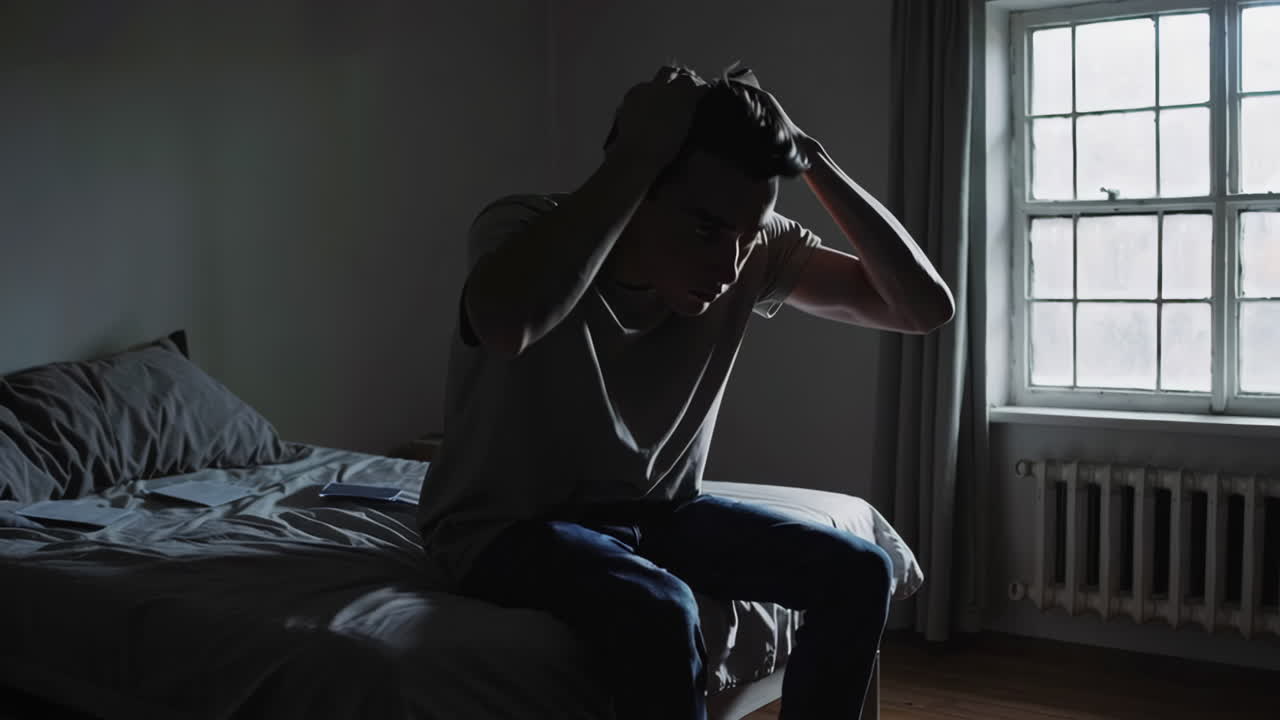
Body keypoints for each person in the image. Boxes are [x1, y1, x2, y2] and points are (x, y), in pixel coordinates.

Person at [417, 63, 955, 720]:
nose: (729, 266)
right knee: (660, 605)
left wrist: (811, 157)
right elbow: (508, 324)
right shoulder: (525, 229)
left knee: (860, 572)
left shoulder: (752, 248)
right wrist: (637, 152)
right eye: (704, 229)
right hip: (506, 530)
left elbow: (924, 308)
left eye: (748, 233)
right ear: (639, 187)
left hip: (659, 513)